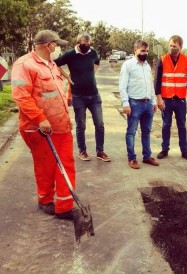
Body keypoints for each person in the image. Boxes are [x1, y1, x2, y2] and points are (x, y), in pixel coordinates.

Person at [11, 30, 77, 219]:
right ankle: (45, 200)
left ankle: (64, 206)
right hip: (40, 129)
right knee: (45, 166)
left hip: (61, 126)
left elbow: (54, 95)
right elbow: (21, 96)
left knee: (66, 164)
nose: (57, 48)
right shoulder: (24, 65)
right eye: (56, 44)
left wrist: (66, 117)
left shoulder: (51, 65)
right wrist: (41, 119)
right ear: (48, 45)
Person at [54, 32, 111, 162]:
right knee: (81, 125)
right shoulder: (69, 54)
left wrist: (91, 74)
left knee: (100, 124)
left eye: (89, 44)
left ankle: (100, 151)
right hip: (78, 95)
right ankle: (82, 151)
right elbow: (55, 64)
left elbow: (96, 62)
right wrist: (67, 76)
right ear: (78, 43)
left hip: (94, 95)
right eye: (84, 44)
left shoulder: (93, 52)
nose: (87, 46)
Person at [119, 40, 159, 169]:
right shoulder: (128, 65)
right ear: (135, 50)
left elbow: (150, 85)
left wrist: (153, 101)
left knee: (146, 131)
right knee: (131, 132)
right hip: (134, 103)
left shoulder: (147, 66)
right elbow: (122, 86)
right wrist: (126, 103)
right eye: (142, 51)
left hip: (148, 104)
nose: (145, 53)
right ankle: (132, 158)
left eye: (147, 51)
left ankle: (147, 156)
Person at [154, 35, 187, 161]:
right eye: (170, 46)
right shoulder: (162, 59)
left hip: (180, 99)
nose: (172, 48)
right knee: (166, 125)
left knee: (182, 125)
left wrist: (183, 88)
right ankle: (164, 149)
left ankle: (184, 151)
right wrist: (159, 98)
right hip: (166, 99)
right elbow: (157, 80)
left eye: (175, 46)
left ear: (181, 47)